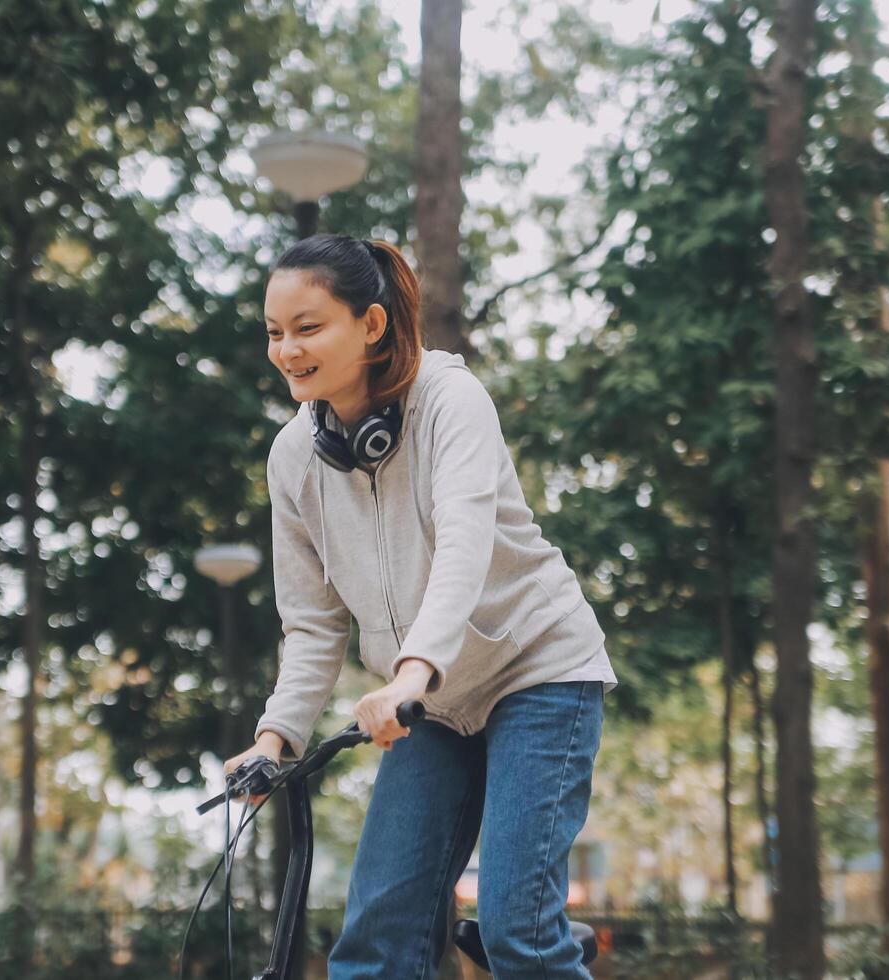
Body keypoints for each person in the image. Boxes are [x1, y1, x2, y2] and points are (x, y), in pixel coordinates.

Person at [222, 233, 617, 979]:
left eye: (309, 328)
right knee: (376, 941)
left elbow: (464, 547)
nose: (286, 350)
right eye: (275, 333)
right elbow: (312, 623)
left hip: (536, 672)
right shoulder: (293, 459)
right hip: (433, 707)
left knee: (520, 934)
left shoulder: (449, 400)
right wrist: (275, 738)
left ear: (371, 325)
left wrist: (410, 674)